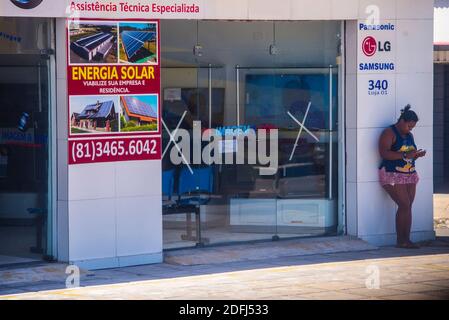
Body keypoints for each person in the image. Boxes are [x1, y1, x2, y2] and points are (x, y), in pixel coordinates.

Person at [378, 105, 426, 249]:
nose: (410, 130)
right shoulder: (389, 132)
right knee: (404, 204)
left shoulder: (409, 135)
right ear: (402, 121)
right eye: (409, 126)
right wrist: (406, 155)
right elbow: (384, 153)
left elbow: (409, 155)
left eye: (412, 128)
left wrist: (416, 155)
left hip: (409, 174)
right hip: (392, 173)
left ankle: (407, 239)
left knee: (408, 206)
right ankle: (401, 241)